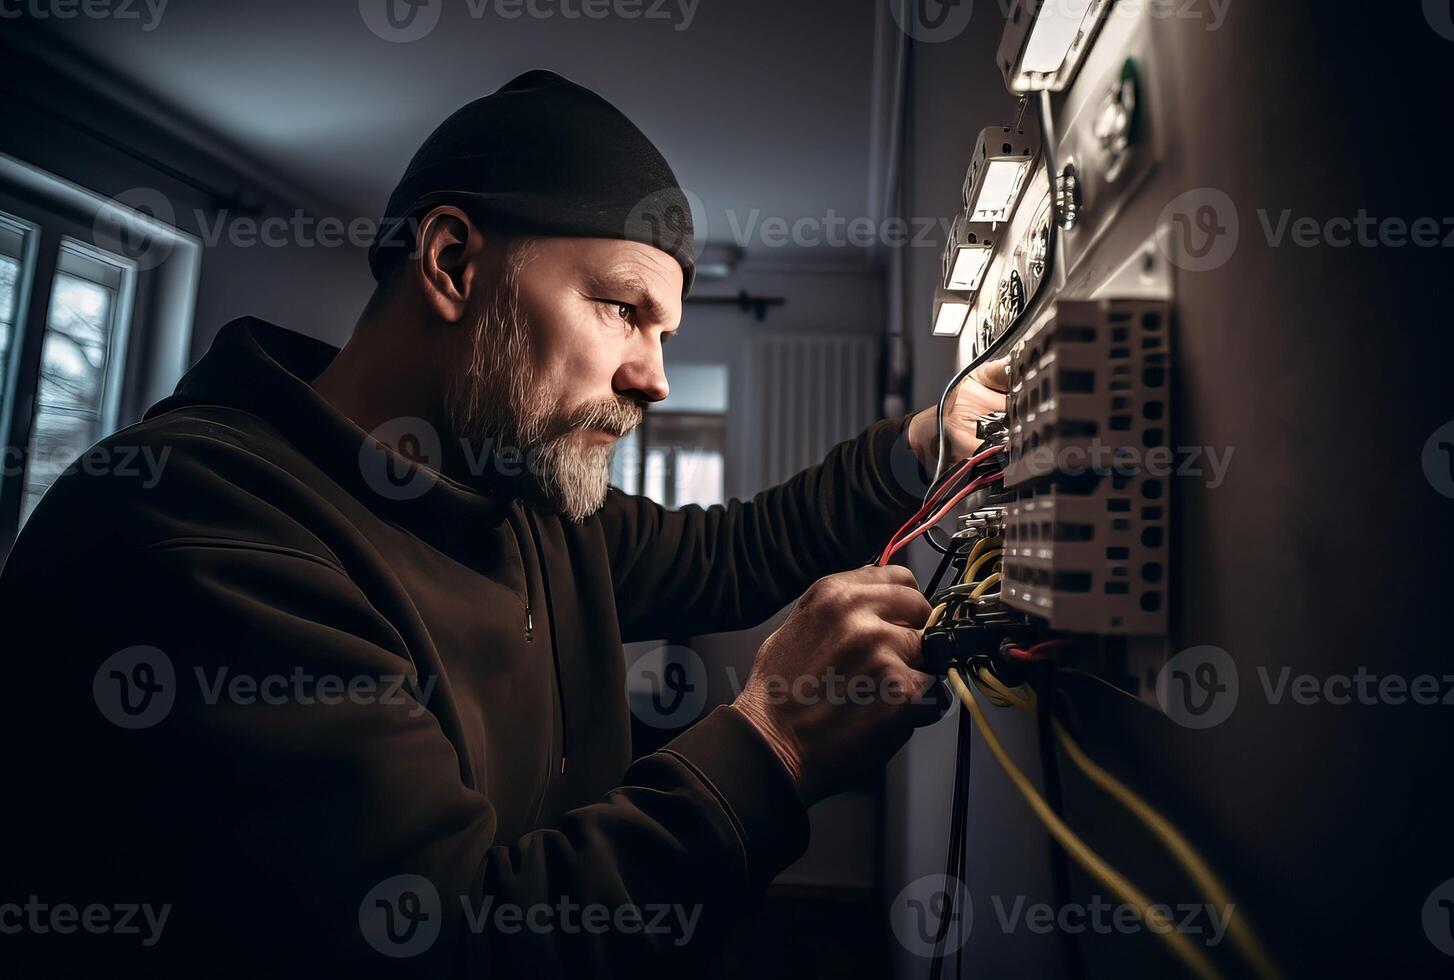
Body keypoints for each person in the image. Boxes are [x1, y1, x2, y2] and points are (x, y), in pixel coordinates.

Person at [0, 69, 1006, 976]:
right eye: (620, 307)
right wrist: (775, 743)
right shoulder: (198, 531)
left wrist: (920, 445)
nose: (651, 376)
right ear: (449, 261)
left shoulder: (507, 488)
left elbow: (725, 552)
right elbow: (450, 941)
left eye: (663, 331)